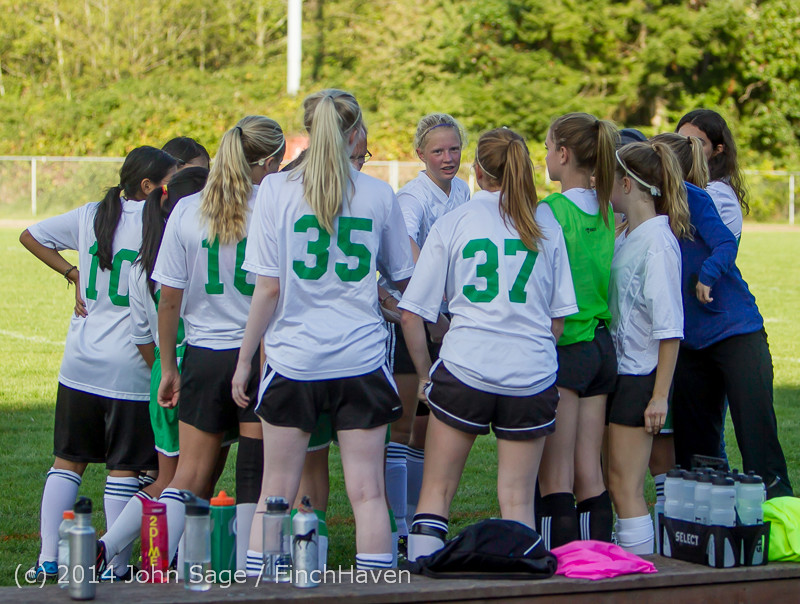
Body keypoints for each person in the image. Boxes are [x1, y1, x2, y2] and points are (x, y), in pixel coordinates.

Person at [232, 89, 414, 574]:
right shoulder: (377, 193)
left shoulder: (276, 190)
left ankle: (261, 588)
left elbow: (268, 288)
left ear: (310, 131)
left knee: (275, 491)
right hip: (361, 359)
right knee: (368, 492)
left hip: (294, 359)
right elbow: (403, 277)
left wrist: (245, 361)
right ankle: (373, 586)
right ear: (356, 134)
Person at [402, 128, 578, 562]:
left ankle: (423, 578)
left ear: (478, 172)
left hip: (466, 368)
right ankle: (520, 579)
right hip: (531, 375)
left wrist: (425, 377)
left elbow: (412, 314)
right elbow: (558, 320)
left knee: (436, 492)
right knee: (517, 500)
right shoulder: (545, 224)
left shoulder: (456, 220)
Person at [20, 146, 177, 581]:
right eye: (167, 184)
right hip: (131, 366)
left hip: (80, 361)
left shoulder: (91, 213)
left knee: (67, 461)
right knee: (123, 467)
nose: (171, 193)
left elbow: (30, 236)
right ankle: (115, 566)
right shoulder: (160, 223)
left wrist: (73, 273)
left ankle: (48, 558)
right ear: (147, 185)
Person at [144, 116, 285, 567]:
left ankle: (158, 562)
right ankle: (247, 568)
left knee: (188, 474)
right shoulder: (273, 206)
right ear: (269, 162)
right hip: (258, 354)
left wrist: (170, 367)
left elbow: (169, 299)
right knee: (253, 471)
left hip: (203, 355)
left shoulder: (188, 208)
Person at [655, 132, 794, 499]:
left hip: (735, 331)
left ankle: (779, 514)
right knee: (694, 451)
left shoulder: (693, 196)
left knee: (758, 440)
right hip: (689, 341)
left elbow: (725, 243)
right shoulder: (648, 204)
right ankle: (705, 524)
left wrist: (707, 275)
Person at [97, 167, 210, 576]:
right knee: (190, 479)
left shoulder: (140, 265)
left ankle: (113, 548)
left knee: (169, 479)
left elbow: (142, 336)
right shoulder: (198, 253)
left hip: (163, 376)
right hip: (199, 369)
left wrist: (163, 370)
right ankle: (165, 563)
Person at [379, 113, 471, 550]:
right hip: (412, 318)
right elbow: (404, 249)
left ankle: (420, 519)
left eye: (454, 149)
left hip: (445, 319)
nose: (448, 158)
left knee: (429, 427)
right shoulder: (412, 197)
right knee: (403, 428)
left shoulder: (462, 190)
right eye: (438, 151)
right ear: (420, 154)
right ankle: (399, 525)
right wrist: (430, 301)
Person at [536, 112, 618, 549]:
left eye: (549, 147)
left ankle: (560, 571)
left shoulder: (551, 211)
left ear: (564, 154)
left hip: (567, 345)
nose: (546, 156)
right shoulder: (607, 208)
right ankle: (596, 564)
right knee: (590, 472)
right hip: (601, 347)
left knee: (555, 476)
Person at [606, 141, 690, 554]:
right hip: (620, 373)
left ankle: (640, 574)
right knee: (614, 482)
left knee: (625, 486)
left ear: (627, 184)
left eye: (610, 178)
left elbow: (669, 328)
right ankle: (625, 563)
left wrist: (659, 397)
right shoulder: (629, 233)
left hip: (640, 377)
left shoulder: (657, 242)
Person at [676, 109, 747, 241]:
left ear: (717, 150)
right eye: (680, 141)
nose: (685, 149)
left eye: (696, 143)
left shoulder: (715, 193)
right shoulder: (694, 186)